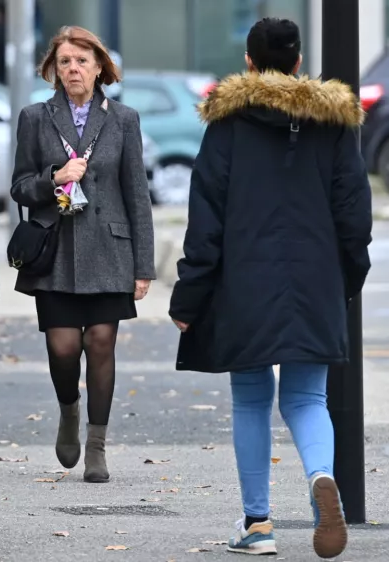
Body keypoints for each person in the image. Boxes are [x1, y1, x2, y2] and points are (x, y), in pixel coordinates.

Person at [169, 18, 371, 558]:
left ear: (251, 65)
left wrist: (189, 296)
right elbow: (355, 216)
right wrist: (345, 280)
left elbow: (205, 221)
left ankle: (257, 524)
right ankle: (321, 478)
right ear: (299, 63)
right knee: (307, 398)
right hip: (316, 278)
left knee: (251, 400)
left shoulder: (228, 126)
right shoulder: (334, 126)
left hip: (244, 281)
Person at [10, 26, 155, 484]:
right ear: (54, 69)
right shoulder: (35, 117)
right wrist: (54, 176)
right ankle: (69, 409)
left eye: (82, 61)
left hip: (110, 251)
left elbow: (137, 195)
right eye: (66, 61)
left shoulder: (124, 119)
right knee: (64, 346)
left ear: (99, 69)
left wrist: (143, 265)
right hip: (54, 251)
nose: (74, 69)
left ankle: (97, 445)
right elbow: (18, 187)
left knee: (100, 342)